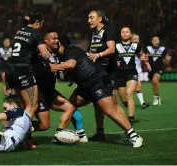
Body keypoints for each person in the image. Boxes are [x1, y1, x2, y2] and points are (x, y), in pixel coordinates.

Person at [50, 34, 143, 148]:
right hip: (85, 86)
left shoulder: (71, 49)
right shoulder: (61, 56)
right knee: (69, 107)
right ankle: (79, 135)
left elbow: (71, 64)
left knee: (110, 111)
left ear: (59, 42)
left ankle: (134, 136)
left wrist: (52, 67)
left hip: (96, 81)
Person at [32, 30, 87, 142]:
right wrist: (48, 69)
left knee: (70, 108)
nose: (57, 41)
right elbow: (34, 69)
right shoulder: (38, 53)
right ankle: (17, 128)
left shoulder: (56, 53)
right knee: (44, 125)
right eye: (53, 38)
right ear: (45, 41)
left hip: (50, 91)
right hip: (38, 92)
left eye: (57, 38)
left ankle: (60, 135)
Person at [86, 10, 126, 141]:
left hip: (110, 73)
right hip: (98, 73)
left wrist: (98, 55)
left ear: (100, 18)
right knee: (97, 103)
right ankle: (100, 132)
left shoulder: (108, 31)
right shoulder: (94, 33)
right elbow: (91, 52)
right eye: (88, 18)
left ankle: (129, 132)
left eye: (91, 17)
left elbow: (111, 49)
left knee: (113, 105)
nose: (89, 20)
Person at [6, 12, 51, 119]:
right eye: (42, 23)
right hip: (24, 70)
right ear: (37, 22)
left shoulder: (19, 31)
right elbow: (45, 55)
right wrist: (47, 52)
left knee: (23, 105)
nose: (42, 26)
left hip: (11, 70)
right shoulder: (36, 34)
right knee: (32, 106)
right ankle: (17, 132)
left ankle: (13, 127)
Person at [115, 27, 149, 124]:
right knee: (124, 99)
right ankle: (128, 105)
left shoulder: (135, 46)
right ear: (120, 34)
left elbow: (141, 56)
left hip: (131, 73)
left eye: (127, 32)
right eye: (123, 32)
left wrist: (144, 58)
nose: (125, 33)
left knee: (129, 93)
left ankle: (131, 117)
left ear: (130, 34)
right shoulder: (116, 46)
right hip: (119, 74)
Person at [145, 36, 170, 105]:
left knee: (155, 80)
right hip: (151, 69)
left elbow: (166, 61)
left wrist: (167, 60)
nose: (155, 41)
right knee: (154, 84)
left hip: (159, 68)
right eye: (153, 40)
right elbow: (145, 58)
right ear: (152, 41)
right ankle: (157, 95)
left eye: (156, 40)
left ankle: (156, 97)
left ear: (159, 41)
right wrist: (147, 63)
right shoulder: (148, 48)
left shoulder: (163, 49)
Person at [131, 33, 150, 109]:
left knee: (138, 86)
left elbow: (142, 57)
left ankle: (142, 103)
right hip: (127, 69)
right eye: (134, 39)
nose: (136, 40)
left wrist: (147, 63)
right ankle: (127, 102)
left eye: (137, 39)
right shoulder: (127, 47)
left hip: (137, 69)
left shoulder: (140, 48)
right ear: (131, 39)